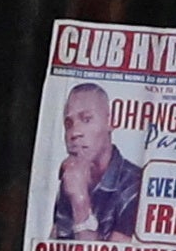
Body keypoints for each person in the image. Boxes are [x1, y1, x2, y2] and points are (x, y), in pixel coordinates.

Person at [50, 82, 143, 242]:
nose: (74, 133)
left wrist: (80, 201)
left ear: (110, 122)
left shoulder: (135, 185)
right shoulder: (72, 179)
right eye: (68, 124)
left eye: (86, 119)